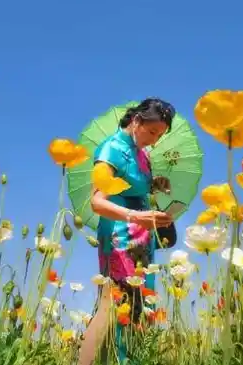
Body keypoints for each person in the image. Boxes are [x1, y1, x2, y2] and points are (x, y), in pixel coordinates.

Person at [77, 98, 176, 365]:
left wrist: (154, 183)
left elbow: (132, 185)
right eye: (153, 132)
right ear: (136, 121)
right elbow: (97, 201)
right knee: (113, 305)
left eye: (160, 135)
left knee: (138, 309)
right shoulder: (111, 150)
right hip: (119, 236)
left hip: (142, 239)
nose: (155, 140)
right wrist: (135, 215)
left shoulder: (143, 154)